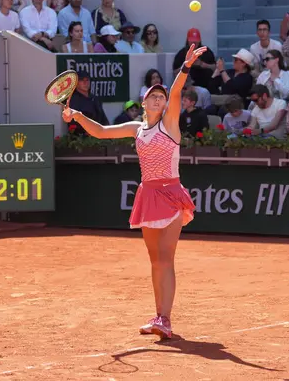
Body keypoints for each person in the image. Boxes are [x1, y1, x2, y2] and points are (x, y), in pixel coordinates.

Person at [60, 44, 207, 340]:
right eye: (153, 96)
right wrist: (76, 115)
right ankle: (159, 316)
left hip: (171, 194)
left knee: (166, 258)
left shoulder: (170, 123)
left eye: (161, 97)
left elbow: (177, 91)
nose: (158, 99)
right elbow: (101, 131)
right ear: (144, 102)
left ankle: (166, 318)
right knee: (155, 260)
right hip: (148, 195)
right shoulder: (135, 128)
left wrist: (186, 66)